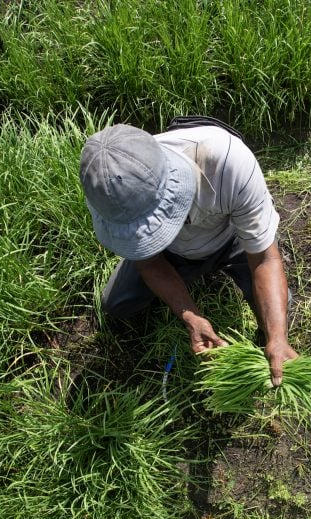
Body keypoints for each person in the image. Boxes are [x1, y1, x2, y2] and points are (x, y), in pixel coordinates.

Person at [80, 122, 298, 386]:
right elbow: (148, 262)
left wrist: (277, 337)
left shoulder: (226, 162)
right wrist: (190, 315)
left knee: (277, 313)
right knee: (117, 304)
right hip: (174, 254)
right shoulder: (107, 192)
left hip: (233, 241)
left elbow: (264, 258)